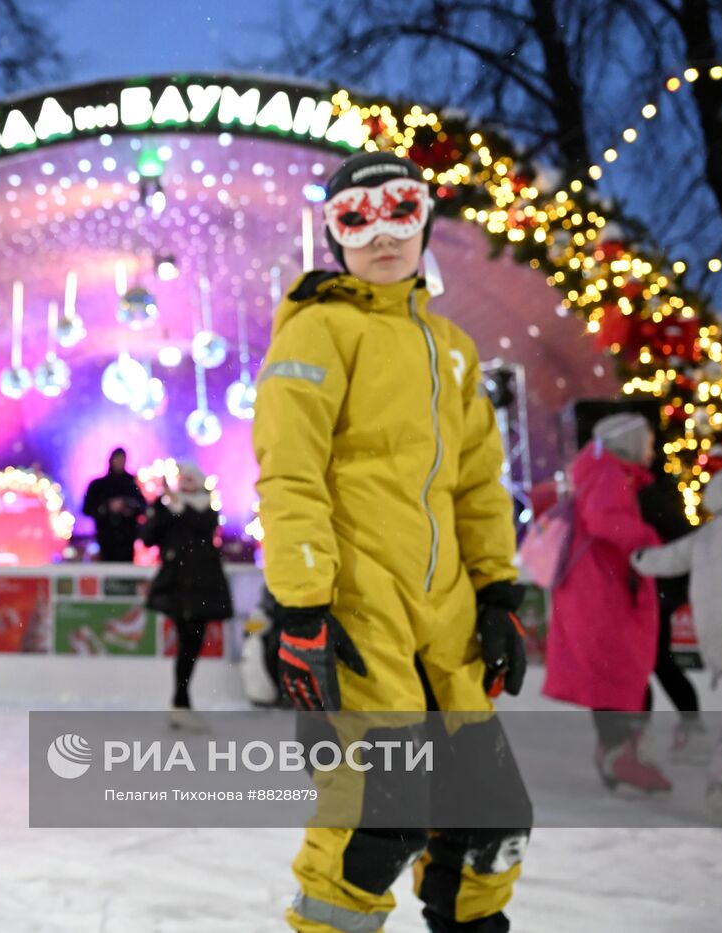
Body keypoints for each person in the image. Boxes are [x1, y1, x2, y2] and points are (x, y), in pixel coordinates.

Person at [254, 151, 531, 933]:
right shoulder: (318, 330)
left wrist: (499, 588)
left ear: (426, 219)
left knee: (490, 819)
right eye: (355, 217)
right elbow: (291, 475)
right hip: (358, 614)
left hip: (447, 619)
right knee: (379, 819)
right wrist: (303, 606)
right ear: (334, 236)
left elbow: (479, 482)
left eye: (400, 208)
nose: (381, 233)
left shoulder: (452, 345)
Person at [544, 413, 668, 791]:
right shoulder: (610, 474)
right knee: (620, 669)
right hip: (603, 589)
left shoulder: (602, 471)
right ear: (628, 443)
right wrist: (647, 538)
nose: (650, 449)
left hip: (600, 587)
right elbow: (604, 519)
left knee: (615, 672)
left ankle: (617, 752)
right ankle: (620, 753)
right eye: (646, 442)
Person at [632, 465, 722, 806]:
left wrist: (638, 558)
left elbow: (667, 558)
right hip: (686, 610)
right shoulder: (654, 494)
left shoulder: (704, 535)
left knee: (656, 662)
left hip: (717, 636)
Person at [140, 461, 234, 730]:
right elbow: (148, 537)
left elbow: (203, 527)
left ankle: (181, 702)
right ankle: (181, 703)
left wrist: (179, 506)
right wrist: (164, 508)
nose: (187, 484)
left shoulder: (207, 508)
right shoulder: (166, 507)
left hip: (203, 587)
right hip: (178, 588)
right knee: (186, 645)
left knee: (192, 646)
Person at [636, 453, 705, 758]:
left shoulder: (646, 493)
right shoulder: (648, 491)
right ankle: (688, 728)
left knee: (651, 664)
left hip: (658, 592)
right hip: (657, 591)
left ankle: (644, 737)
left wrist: (646, 561)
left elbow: (680, 537)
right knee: (656, 663)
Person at [82, 446, 147, 562]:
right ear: (111, 460)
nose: (120, 463)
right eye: (118, 459)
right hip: (105, 538)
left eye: (123, 459)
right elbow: (87, 509)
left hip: (127, 538)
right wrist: (107, 507)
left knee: (125, 573)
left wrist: (128, 506)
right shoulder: (98, 485)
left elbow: (143, 507)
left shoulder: (131, 484)